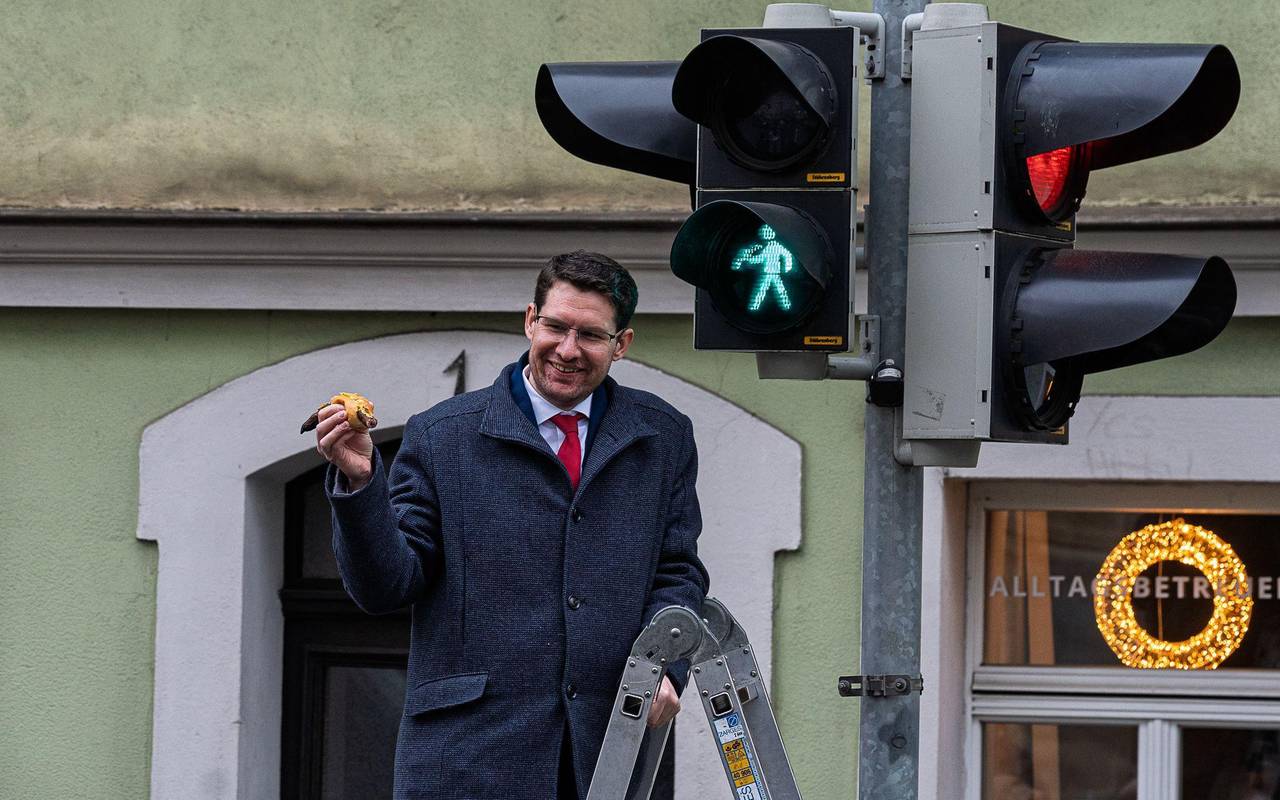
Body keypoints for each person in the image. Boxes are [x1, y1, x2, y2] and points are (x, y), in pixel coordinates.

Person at [313, 250, 709, 800]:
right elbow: (386, 587)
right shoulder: (442, 436)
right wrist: (361, 487)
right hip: (467, 760)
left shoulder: (662, 436)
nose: (568, 351)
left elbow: (677, 570)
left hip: (611, 751)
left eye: (591, 336)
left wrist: (665, 663)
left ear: (622, 345)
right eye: (555, 326)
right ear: (530, 320)